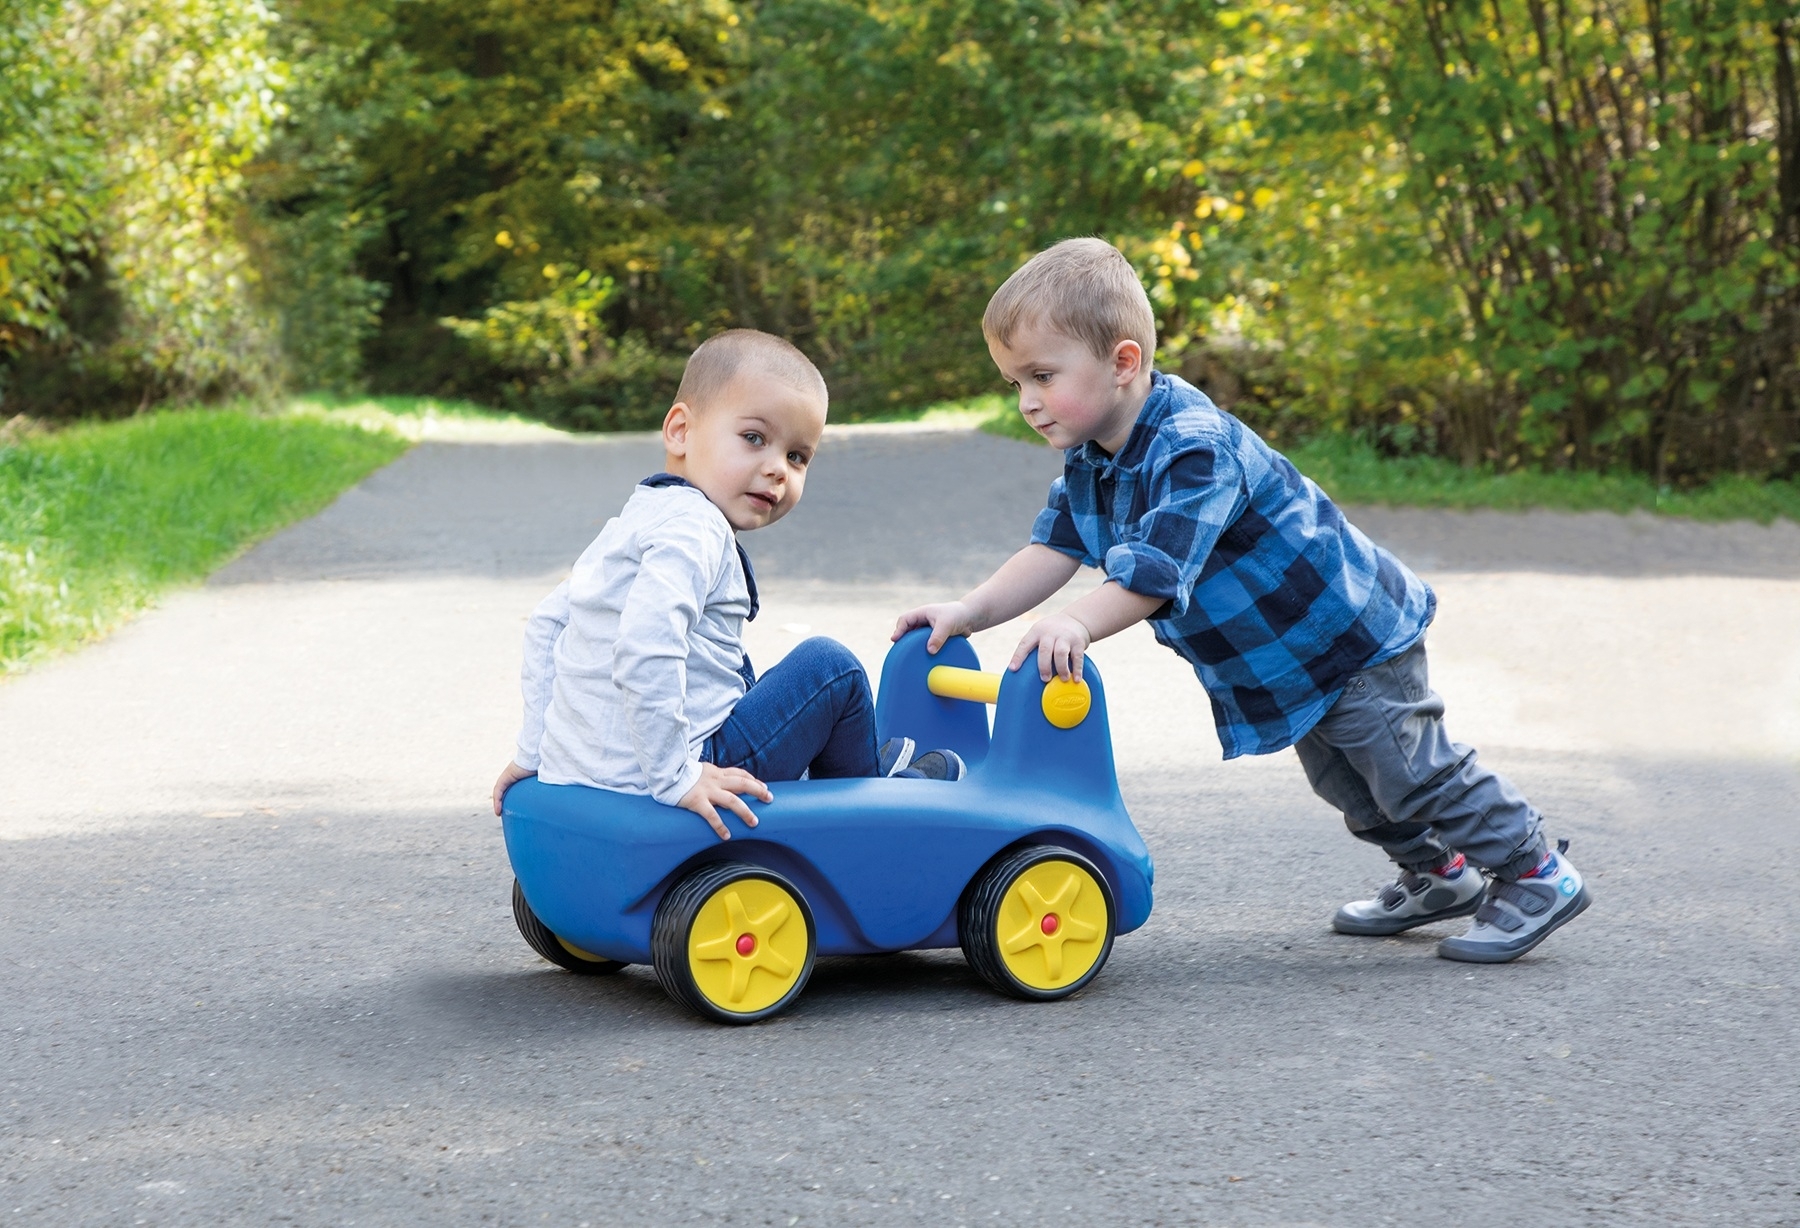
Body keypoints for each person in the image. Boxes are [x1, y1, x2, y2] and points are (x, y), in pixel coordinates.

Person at [894, 239, 1589, 963]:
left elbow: (1154, 572)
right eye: (1013, 383)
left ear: (1123, 363)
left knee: (1412, 774)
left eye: (1041, 375)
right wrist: (969, 613)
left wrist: (1075, 620)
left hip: (1346, 634)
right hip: (1285, 660)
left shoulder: (1194, 448)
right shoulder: (1091, 455)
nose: (1027, 401)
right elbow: (1053, 548)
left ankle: (1537, 871)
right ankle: (1440, 874)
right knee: (1346, 784)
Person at [494, 328, 962, 841]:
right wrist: (677, 776)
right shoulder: (697, 527)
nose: (776, 470)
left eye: (797, 456)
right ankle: (868, 799)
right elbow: (646, 646)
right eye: (754, 438)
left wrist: (535, 752)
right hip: (680, 764)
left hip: (586, 767)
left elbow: (548, 624)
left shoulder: (639, 515)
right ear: (680, 431)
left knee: (738, 672)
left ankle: (842, 759)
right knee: (831, 669)